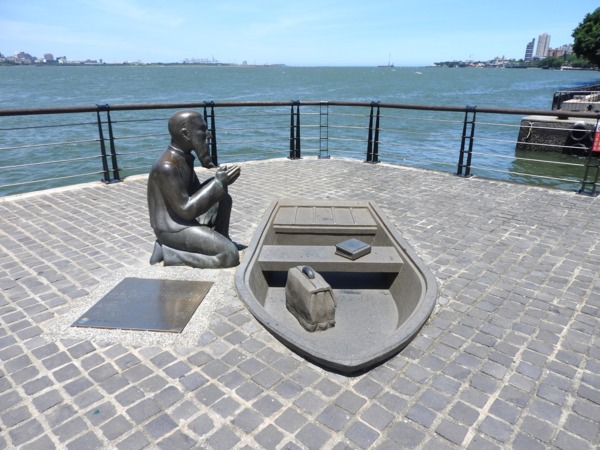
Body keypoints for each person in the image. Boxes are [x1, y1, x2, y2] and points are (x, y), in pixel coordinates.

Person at [147, 110, 241, 268]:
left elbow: (196, 194)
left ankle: (222, 239)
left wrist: (219, 184)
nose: (208, 135)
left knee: (223, 197)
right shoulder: (167, 166)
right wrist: (218, 184)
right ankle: (170, 252)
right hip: (173, 229)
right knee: (229, 256)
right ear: (185, 134)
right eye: (202, 130)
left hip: (184, 221)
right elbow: (186, 210)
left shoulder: (182, 158)